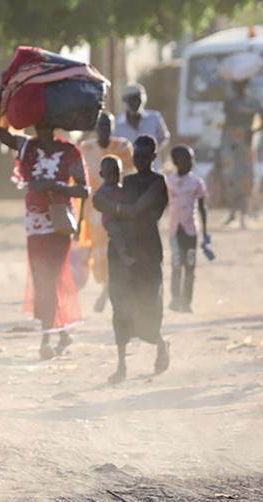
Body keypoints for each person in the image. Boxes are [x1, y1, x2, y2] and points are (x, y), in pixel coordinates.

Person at [0, 91, 89, 360]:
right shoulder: (27, 147)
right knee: (42, 277)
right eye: (37, 123)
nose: (40, 128)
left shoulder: (69, 151)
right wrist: (4, 89)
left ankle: (48, 335)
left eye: (45, 123)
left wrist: (55, 186)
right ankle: (60, 329)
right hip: (35, 223)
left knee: (51, 276)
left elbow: (84, 190)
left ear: (54, 124)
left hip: (59, 222)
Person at [93, 135, 171, 384]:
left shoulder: (158, 182)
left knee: (148, 305)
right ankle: (122, 365)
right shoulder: (127, 181)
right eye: (136, 156)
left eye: (145, 157)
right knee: (121, 306)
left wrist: (113, 208)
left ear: (154, 157)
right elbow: (99, 201)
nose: (140, 161)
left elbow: (137, 208)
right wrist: (111, 209)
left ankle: (160, 344)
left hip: (148, 251)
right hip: (123, 251)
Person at [78, 112, 134, 312]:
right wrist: (78, 219)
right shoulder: (86, 148)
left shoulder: (122, 147)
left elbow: (130, 178)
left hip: (117, 207)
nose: (104, 130)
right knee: (100, 255)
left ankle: (107, 294)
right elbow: (81, 183)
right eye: (101, 125)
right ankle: (107, 289)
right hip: (94, 209)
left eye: (108, 126)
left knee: (117, 249)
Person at [166, 145, 209, 313]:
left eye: (192, 159)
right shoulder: (169, 182)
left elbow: (202, 208)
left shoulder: (196, 183)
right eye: (187, 159)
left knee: (190, 266)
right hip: (174, 231)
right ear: (177, 162)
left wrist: (205, 231)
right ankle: (175, 299)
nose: (191, 163)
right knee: (177, 264)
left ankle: (187, 301)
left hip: (191, 230)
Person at [217, 79, 261, 228]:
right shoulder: (229, 102)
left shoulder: (253, 102)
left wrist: (254, 131)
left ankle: (243, 213)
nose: (238, 88)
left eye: (241, 85)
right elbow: (226, 119)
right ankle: (232, 213)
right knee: (230, 176)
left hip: (247, 142)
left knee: (246, 177)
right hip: (230, 141)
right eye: (236, 85)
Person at [114, 83, 170, 170]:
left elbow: (163, 137)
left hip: (152, 170)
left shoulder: (154, 118)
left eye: (138, 99)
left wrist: (150, 152)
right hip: (128, 171)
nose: (135, 103)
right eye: (131, 100)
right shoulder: (117, 124)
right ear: (125, 100)